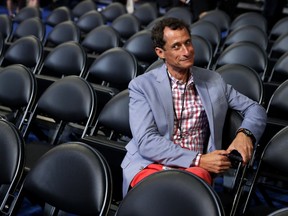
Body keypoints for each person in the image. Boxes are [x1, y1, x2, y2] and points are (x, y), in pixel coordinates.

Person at [121, 17, 267, 196]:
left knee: (185, 193)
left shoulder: (213, 81)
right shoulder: (142, 86)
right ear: (160, 52)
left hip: (195, 170)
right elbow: (146, 141)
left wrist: (245, 134)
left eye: (188, 42)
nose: (186, 51)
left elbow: (255, 109)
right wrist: (198, 159)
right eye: (176, 46)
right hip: (150, 163)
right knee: (157, 196)